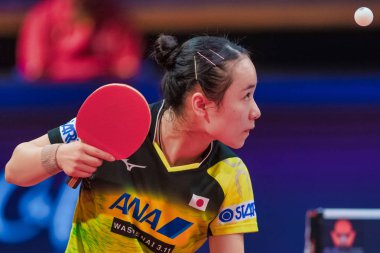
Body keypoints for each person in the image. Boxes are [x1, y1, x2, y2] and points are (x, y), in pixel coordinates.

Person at [5, 34, 261, 252]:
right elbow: (15, 169)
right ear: (201, 104)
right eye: (246, 96)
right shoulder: (118, 121)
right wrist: (58, 155)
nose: (256, 111)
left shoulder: (229, 175)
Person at [16, 0, 142, 83]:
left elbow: (128, 68)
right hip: (52, 104)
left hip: (104, 100)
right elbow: (34, 71)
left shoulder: (116, 18)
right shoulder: (41, 17)